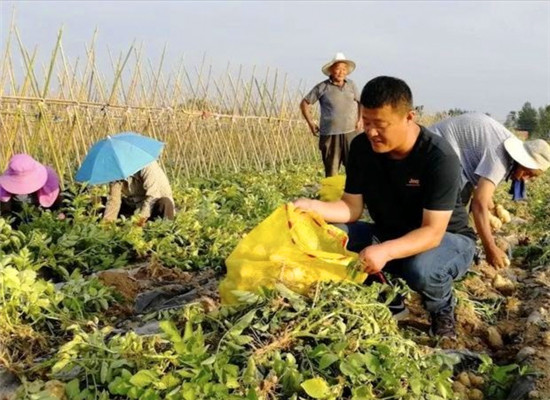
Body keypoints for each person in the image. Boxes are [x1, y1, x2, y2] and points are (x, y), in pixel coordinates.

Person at [294, 76, 476, 339]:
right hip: (390, 232)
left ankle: (441, 309)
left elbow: (432, 232)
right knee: (331, 236)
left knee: (421, 269)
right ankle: (387, 296)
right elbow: (351, 208)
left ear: (409, 117)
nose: (371, 132)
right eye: (366, 122)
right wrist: (310, 207)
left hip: (447, 240)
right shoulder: (361, 148)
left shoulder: (438, 157)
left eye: (380, 124)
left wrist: (385, 250)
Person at [429, 113, 550, 268]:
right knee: (458, 225)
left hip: (442, 151)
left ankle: (437, 247)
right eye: (528, 173)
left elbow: (481, 189)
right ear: (523, 161)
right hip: (435, 154)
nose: (525, 179)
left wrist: (492, 209)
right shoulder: (501, 159)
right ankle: (442, 263)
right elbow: (479, 203)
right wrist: (490, 248)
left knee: (458, 208)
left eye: (532, 177)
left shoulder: (506, 147)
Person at [300, 52, 362, 177]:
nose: (341, 72)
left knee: (354, 168)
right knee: (331, 171)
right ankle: (331, 190)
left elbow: (361, 103)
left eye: (344, 69)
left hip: (351, 132)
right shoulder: (322, 87)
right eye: (338, 69)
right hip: (330, 133)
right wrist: (311, 124)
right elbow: (304, 103)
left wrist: (360, 120)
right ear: (331, 70)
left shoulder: (351, 85)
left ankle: (353, 190)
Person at [103, 160, 175, 223]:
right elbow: (114, 200)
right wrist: (107, 223)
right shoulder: (116, 171)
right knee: (100, 201)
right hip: (135, 206)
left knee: (165, 203)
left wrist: (139, 221)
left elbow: (153, 196)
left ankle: (164, 228)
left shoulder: (148, 165)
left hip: (153, 206)